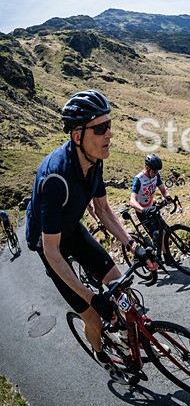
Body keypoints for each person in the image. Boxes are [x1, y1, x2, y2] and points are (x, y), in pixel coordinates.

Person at [25, 90, 156, 381]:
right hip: (49, 244)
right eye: (100, 128)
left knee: (120, 286)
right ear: (77, 136)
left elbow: (104, 211)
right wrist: (91, 297)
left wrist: (134, 245)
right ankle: (101, 354)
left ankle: (123, 330)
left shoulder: (95, 160)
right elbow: (52, 251)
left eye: (110, 125)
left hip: (72, 229)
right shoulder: (56, 179)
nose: (109, 134)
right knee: (93, 315)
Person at [130, 154, 172, 256]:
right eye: (154, 171)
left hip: (152, 207)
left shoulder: (156, 176)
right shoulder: (138, 179)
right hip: (142, 211)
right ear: (147, 168)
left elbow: (163, 190)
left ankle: (166, 257)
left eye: (157, 171)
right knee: (156, 235)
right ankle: (148, 254)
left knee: (165, 231)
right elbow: (132, 201)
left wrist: (167, 197)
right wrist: (143, 210)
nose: (156, 173)